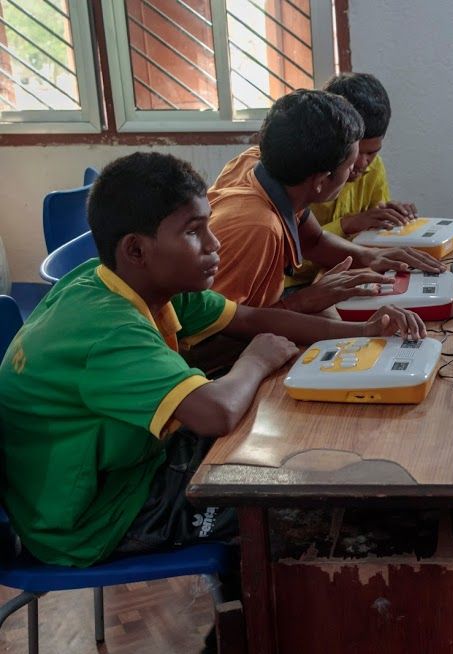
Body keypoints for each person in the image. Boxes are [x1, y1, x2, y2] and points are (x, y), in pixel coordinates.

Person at [0, 151, 425, 573]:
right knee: (302, 505)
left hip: (128, 463)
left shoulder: (131, 279)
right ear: (136, 250)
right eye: (193, 231)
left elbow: (251, 317)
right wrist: (256, 359)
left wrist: (366, 332)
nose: (214, 243)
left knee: (285, 441)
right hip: (97, 517)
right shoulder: (108, 329)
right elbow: (215, 413)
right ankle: (252, 622)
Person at [208, 89, 443, 314]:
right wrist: (303, 301)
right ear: (321, 180)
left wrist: (372, 257)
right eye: (350, 165)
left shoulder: (264, 165)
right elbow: (209, 331)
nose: (359, 168)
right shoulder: (259, 227)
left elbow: (314, 240)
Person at [289, 72, 418, 286]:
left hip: (343, 272)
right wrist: (347, 225)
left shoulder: (373, 168)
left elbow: (371, 239)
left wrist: (389, 218)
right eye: (355, 152)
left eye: (372, 153)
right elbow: (293, 251)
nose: (361, 163)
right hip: (293, 284)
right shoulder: (300, 171)